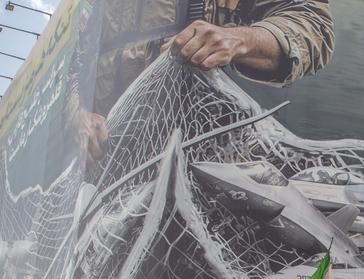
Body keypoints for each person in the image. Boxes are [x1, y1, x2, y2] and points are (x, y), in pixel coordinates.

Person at [77, 0, 336, 166]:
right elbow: (66, 45)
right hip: (98, 154)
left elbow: (312, 24)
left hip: (197, 153)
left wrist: (239, 39)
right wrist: (73, 114)